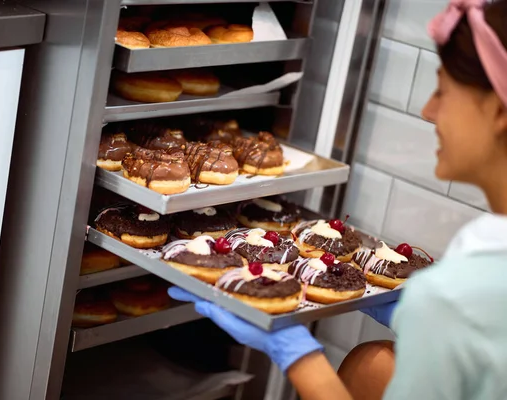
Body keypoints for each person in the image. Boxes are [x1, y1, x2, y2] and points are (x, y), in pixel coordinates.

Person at [169, 0, 507, 398]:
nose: (428, 111)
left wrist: (297, 355)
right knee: (374, 363)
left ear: (499, 110)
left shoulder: (461, 287)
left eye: (443, 92)